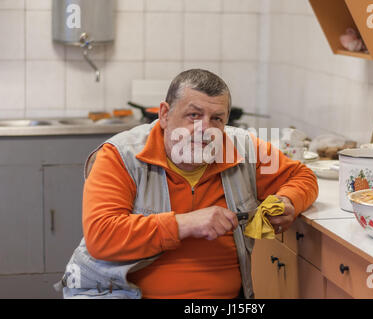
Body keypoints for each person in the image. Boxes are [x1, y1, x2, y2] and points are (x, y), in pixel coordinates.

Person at [56, 69, 318, 299]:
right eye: (194, 115)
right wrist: (186, 223)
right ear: (165, 114)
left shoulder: (245, 149)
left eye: (217, 118)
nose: (205, 129)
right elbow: (102, 236)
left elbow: (303, 177)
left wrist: (288, 201)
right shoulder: (120, 155)